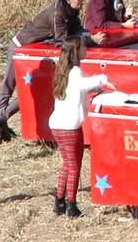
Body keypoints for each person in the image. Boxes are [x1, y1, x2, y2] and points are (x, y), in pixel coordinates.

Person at [0, 0, 107, 143]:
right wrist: (90, 40)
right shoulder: (58, 13)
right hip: (20, 47)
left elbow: (78, 30)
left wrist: (90, 35)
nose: (82, 2)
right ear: (69, 0)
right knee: (9, 85)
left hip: (32, 51)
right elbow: (62, 40)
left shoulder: (70, 11)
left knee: (33, 89)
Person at [48, 35, 116, 218]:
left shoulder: (64, 71)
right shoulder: (75, 71)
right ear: (75, 51)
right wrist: (102, 78)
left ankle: (59, 201)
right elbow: (84, 85)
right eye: (83, 47)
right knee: (75, 165)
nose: (86, 49)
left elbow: (80, 87)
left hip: (57, 123)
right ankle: (72, 204)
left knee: (67, 165)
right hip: (69, 125)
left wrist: (99, 89)